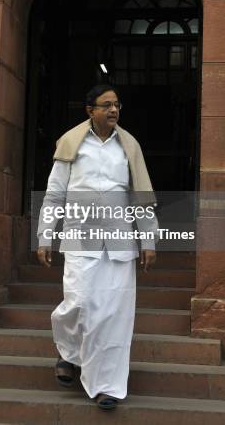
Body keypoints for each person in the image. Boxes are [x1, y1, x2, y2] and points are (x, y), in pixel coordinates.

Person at [36, 84, 159, 410]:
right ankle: (70, 353)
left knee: (115, 316)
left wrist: (149, 240)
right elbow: (54, 194)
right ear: (90, 110)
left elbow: (141, 197)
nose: (113, 110)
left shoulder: (128, 146)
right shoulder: (71, 144)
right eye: (106, 105)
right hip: (80, 237)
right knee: (80, 304)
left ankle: (108, 387)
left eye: (117, 105)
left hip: (120, 241)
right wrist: (45, 235)